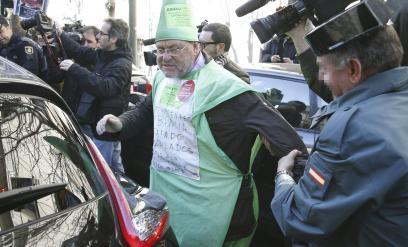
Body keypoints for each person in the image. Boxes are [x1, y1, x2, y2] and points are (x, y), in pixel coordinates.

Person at [95, 0, 306, 246]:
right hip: (167, 197)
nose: (164, 57)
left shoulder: (228, 89)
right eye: (161, 49)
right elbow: (145, 112)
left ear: (196, 47)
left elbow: (289, 143)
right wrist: (119, 124)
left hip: (218, 208)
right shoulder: (164, 78)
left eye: (174, 48)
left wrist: (286, 174)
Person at [271, 1, 408, 246]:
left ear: (354, 70)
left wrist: (283, 174)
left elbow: (299, 218)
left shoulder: (353, 131)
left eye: (324, 70)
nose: (323, 79)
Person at [57, 18, 131, 174]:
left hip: (104, 132)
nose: (97, 37)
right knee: (115, 171)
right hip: (96, 127)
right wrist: (59, 33)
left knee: (103, 175)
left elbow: (104, 87)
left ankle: (118, 198)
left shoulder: (121, 64)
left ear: (113, 39)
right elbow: (79, 51)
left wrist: (74, 68)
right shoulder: (103, 55)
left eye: (102, 34)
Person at [0, 15, 49, 82]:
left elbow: (29, 78)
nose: (0, 37)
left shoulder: (25, 45)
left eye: (1, 32)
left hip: (36, 90)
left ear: (8, 27)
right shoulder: (4, 47)